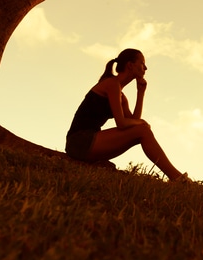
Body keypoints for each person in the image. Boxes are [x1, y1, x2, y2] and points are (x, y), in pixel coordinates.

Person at [65, 48, 188, 182]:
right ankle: (177, 178)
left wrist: (140, 93)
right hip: (79, 141)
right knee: (142, 129)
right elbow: (122, 123)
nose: (145, 68)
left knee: (142, 130)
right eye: (142, 63)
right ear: (130, 65)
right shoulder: (112, 84)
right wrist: (141, 123)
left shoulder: (121, 96)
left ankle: (176, 177)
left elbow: (133, 124)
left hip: (89, 143)